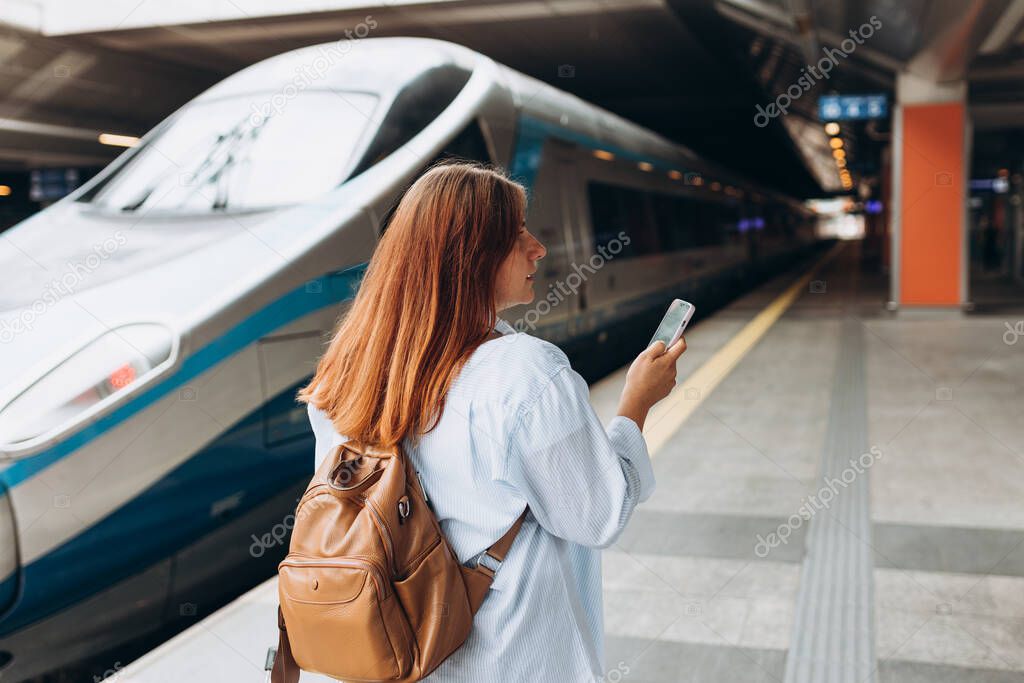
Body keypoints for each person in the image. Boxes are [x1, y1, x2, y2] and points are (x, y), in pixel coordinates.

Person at [296, 162, 686, 682]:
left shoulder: (343, 373)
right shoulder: (525, 371)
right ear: (469, 257)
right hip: (514, 660)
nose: (538, 247)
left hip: (403, 652)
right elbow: (598, 515)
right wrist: (636, 404)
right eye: (516, 234)